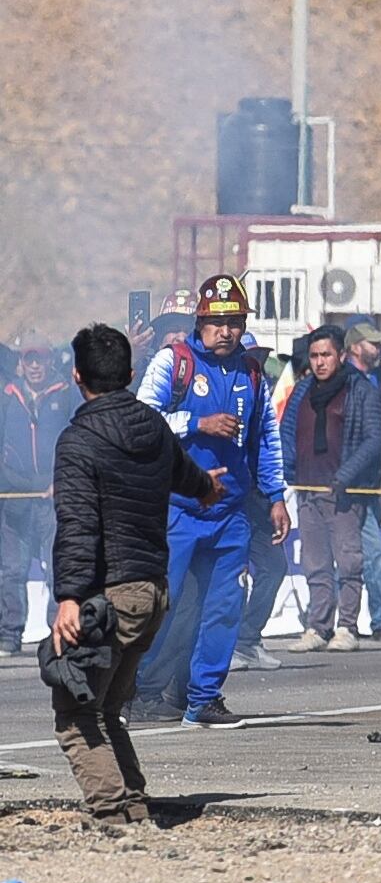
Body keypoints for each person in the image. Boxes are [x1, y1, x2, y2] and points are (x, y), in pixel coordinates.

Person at [46, 324, 223, 822]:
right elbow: (188, 476)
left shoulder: (78, 440)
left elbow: (77, 525)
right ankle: (136, 807)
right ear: (128, 374)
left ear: (77, 375)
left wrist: (68, 597)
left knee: (75, 709)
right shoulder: (152, 426)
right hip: (153, 593)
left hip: (110, 595)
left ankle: (109, 813)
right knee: (106, 710)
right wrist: (207, 488)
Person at [128, 276, 289, 729]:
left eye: (235, 322)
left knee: (224, 608)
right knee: (163, 603)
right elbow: (143, 421)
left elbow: (267, 440)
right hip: (176, 508)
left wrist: (276, 496)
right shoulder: (171, 362)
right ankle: (133, 690)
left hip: (231, 514)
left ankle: (204, 699)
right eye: (218, 323)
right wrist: (198, 423)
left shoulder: (253, 372)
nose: (227, 332)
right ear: (201, 322)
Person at [281, 326, 381, 651]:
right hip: (307, 490)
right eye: (314, 356)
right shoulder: (301, 390)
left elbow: (374, 440)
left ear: (341, 355)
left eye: (326, 354)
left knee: (350, 562)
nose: (319, 362)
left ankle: (347, 627)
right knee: (315, 563)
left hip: (343, 492)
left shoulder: (360, 390)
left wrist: (345, 476)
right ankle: (318, 626)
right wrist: (288, 470)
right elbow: (286, 431)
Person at [2, 339, 75, 655]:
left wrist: (62, 480)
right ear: (21, 363)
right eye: (29, 360)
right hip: (12, 498)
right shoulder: (6, 397)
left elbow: (76, 442)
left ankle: (55, 632)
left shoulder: (67, 394)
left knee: (57, 567)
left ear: (49, 363)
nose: (34, 366)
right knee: (11, 570)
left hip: (52, 498)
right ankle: (9, 633)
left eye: (40, 360)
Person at [341, 321, 381, 641]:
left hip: (376, 481)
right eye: (372, 344)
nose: (378, 349)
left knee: (363, 553)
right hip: (350, 481)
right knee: (372, 551)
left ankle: (353, 620)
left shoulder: (380, 381)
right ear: (355, 347)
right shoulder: (344, 382)